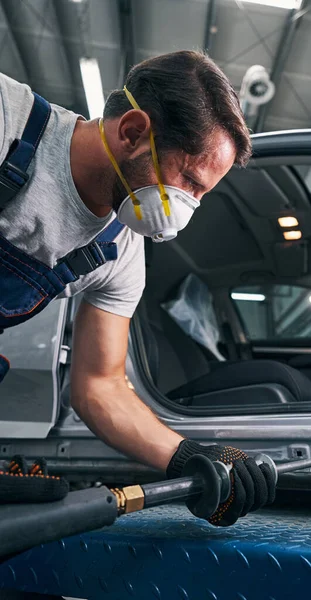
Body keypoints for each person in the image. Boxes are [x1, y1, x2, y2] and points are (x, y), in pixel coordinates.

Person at [0, 50, 275, 526]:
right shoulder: (8, 121)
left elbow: (99, 387)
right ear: (131, 132)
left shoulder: (116, 255)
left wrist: (190, 456)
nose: (188, 205)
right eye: (188, 179)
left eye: (202, 194)